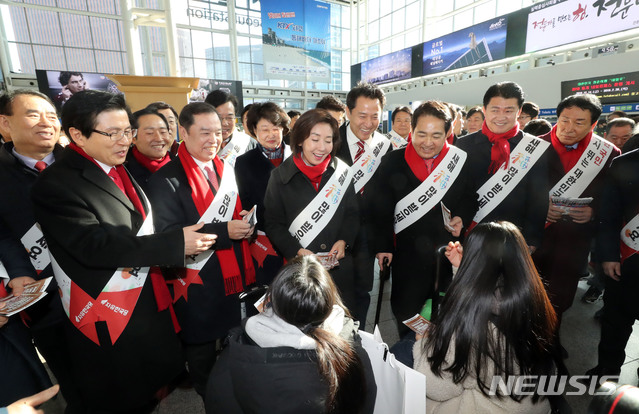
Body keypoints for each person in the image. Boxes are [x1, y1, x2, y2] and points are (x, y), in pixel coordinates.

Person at [31, 90, 217, 413]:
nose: (124, 141)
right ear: (77, 134)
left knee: (146, 391)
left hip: (142, 301)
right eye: (112, 133)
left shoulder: (117, 165)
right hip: (107, 310)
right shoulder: (56, 184)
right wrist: (173, 244)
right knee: (118, 396)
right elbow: (94, 245)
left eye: (127, 132)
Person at [146, 101, 256, 397]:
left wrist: (245, 224)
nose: (214, 140)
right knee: (202, 353)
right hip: (196, 281)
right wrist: (225, 231)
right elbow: (170, 235)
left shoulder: (226, 168)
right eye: (205, 132)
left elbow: (233, 213)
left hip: (233, 274)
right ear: (183, 131)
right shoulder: (165, 180)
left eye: (218, 132)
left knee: (236, 340)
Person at [414, 221, 559, 414]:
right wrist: (462, 269)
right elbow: (484, 294)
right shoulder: (533, 300)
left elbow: (436, 387)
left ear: (474, 263)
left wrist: (423, 343)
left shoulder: (470, 327)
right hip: (529, 405)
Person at [206, 255, 376, 414]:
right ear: (328, 303)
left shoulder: (231, 360)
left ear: (273, 299)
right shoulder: (353, 357)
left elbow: (218, 403)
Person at [366, 100, 478, 336]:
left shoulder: (459, 160)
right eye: (421, 134)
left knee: (448, 313)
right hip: (407, 255)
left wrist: (461, 217)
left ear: (448, 133)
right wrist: (383, 246)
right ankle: (408, 358)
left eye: (436, 135)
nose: (428, 142)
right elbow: (380, 208)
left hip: (448, 252)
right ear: (412, 130)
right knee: (407, 312)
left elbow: (470, 197)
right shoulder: (393, 161)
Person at [0, 89, 80, 410]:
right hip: (42, 299)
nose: (46, 122)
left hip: (99, 290)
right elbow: (2, 234)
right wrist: (19, 272)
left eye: (52, 116)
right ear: (5, 124)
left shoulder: (79, 162)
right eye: (33, 114)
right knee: (68, 378)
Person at [532, 94, 620, 338]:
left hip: (574, 241)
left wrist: (594, 212)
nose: (568, 128)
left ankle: (550, 341)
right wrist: (540, 208)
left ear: (594, 125)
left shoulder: (607, 154)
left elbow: (613, 199)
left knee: (561, 296)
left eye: (579, 122)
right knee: (527, 292)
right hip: (534, 237)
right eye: (564, 120)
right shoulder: (532, 146)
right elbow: (517, 193)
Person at [264, 109, 359, 311]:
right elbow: (273, 224)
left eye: (328, 140)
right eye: (315, 139)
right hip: (301, 270)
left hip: (339, 269)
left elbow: (352, 213)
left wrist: (344, 241)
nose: (322, 147)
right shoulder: (280, 176)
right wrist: (297, 251)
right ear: (300, 140)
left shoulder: (342, 172)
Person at [456, 81, 550, 251]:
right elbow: (458, 193)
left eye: (509, 111)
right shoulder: (463, 145)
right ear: (484, 110)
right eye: (495, 110)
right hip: (471, 236)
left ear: (519, 111)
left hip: (515, 240)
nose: (501, 117)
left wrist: (532, 240)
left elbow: (539, 201)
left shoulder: (534, 148)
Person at [336, 82, 391, 327]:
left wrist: (384, 243)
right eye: (362, 115)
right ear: (348, 113)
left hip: (367, 238)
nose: (368, 123)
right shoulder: (330, 142)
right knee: (332, 293)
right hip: (333, 234)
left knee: (362, 293)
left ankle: (356, 337)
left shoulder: (384, 146)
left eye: (374, 117)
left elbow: (386, 198)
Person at [585, 146, 639, 383]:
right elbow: (609, 215)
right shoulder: (624, 163)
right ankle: (606, 371)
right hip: (626, 259)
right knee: (615, 321)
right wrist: (608, 255)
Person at [235, 102, 290, 286]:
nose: (271, 135)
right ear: (254, 131)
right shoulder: (244, 162)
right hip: (264, 242)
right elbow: (245, 201)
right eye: (264, 129)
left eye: (276, 128)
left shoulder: (297, 156)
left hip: (298, 236)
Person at [125, 108, 173, 190]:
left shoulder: (182, 166)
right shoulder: (124, 171)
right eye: (149, 133)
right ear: (133, 138)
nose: (159, 138)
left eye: (163, 132)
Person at [205, 90, 255, 167]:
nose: (225, 123)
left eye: (229, 117)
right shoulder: (199, 145)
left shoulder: (248, 143)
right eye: (219, 117)